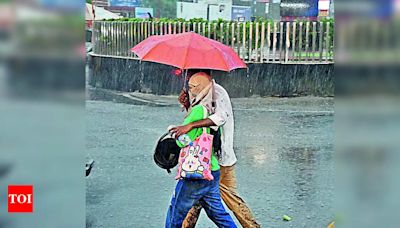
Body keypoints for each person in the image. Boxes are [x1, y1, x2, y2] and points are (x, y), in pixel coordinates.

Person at [170, 70, 260, 228]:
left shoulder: (217, 92)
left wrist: (189, 124)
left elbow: (219, 118)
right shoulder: (202, 91)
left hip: (219, 160)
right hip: (205, 161)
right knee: (201, 205)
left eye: (191, 74)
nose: (188, 78)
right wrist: (187, 103)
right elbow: (199, 117)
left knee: (230, 201)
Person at [166, 73, 236, 228]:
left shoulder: (198, 111)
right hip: (212, 170)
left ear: (198, 89)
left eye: (191, 87)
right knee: (219, 214)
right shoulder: (210, 108)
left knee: (175, 213)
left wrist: (174, 132)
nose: (188, 90)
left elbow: (185, 142)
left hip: (195, 174)